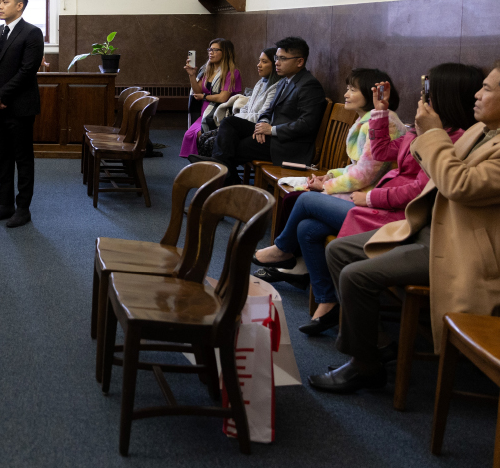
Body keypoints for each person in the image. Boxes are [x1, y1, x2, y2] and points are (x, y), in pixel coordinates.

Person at [311, 61, 497, 395]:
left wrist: (431, 134)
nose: (478, 95)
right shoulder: (480, 132)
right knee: (338, 250)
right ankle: (374, 345)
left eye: (487, 89)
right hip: (426, 227)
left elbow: (458, 184)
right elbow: (395, 156)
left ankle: (364, 364)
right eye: (480, 86)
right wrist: (389, 117)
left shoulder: (469, 136)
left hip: (457, 247)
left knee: (355, 275)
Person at [253, 68, 406, 335]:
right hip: (359, 196)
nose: (345, 93)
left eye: (352, 89)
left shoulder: (384, 121)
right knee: (307, 229)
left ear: (372, 95)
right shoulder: (367, 119)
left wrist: (328, 186)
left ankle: (282, 250)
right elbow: (356, 167)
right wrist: (329, 176)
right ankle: (327, 300)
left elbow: (367, 173)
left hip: (371, 204)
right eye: (347, 88)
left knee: (305, 201)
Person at [213, 37, 326, 183]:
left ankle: (221, 172)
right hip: (273, 137)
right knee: (230, 123)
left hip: (288, 146)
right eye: (276, 58)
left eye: (283, 59)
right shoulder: (285, 80)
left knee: (233, 147)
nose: (277, 63)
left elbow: (307, 124)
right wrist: (262, 124)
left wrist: (271, 130)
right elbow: (268, 111)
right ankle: (226, 176)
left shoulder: (309, 85)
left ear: (300, 62)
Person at [0, 0, 45, 229]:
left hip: (20, 107)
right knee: (3, 157)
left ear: (19, 6)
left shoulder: (32, 33)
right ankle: (4, 205)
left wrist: (2, 94)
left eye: (5, 1)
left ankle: (23, 209)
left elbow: (28, 70)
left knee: (23, 158)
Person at [180, 39, 242, 158]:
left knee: (199, 134)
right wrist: (192, 75)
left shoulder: (232, 72)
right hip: (205, 112)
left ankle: (208, 165)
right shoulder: (207, 70)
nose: (211, 53)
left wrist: (204, 96)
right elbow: (197, 91)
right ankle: (201, 165)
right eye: (210, 49)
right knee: (189, 135)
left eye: (215, 50)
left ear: (226, 52)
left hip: (221, 113)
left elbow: (223, 97)